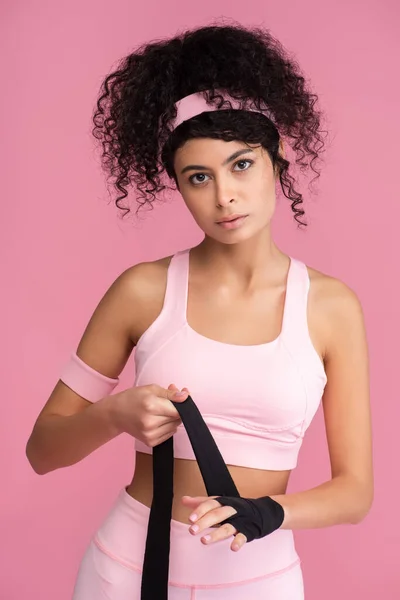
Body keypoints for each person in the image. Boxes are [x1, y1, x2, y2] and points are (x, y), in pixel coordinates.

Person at [26, 22, 373, 600]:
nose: (224, 197)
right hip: (126, 571)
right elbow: (42, 450)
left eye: (241, 165)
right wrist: (116, 415)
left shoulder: (331, 308)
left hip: (257, 579)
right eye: (198, 178)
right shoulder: (142, 291)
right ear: (179, 186)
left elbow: (355, 492)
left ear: (278, 155)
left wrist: (268, 513)